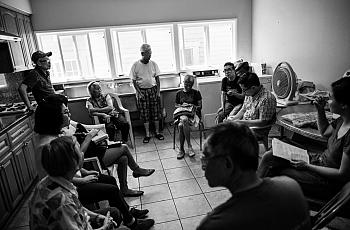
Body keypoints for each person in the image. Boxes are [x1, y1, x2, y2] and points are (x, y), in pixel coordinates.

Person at [34, 94, 155, 197]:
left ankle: (124, 189)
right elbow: (72, 164)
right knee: (123, 148)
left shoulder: (61, 129)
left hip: (89, 156)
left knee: (123, 158)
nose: (69, 114)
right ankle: (136, 170)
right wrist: (87, 138)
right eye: (66, 112)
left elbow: (80, 126)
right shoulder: (51, 144)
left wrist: (92, 135)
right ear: (55, 117)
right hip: (89, 158)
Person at [197, 123, 311, 230]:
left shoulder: (215, 225)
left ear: (228, 163)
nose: (203, 164)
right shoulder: (291, 187)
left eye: (207, 156)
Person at [29, 136, 154, 230]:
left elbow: (77, 207)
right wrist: (104, 227)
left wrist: (95, 216)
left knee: (114, 212)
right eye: (80, 152)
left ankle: (129, 218)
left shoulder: (47, 183)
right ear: (73, 162)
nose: (82, 154)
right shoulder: (62, 202)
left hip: (74, 221)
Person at [258, 77, 350, 200]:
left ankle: (258, 198)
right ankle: (256, 192)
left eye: (331, 98)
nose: (329, 101)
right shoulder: (341, 120)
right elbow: (324, 132)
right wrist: (320, 110)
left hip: (326, 181)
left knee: (277, 169)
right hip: (318, 161)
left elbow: (341, 174)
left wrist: (307, 166)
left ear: (343, 104)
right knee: (272, 153)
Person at [226, 72, 276, 143]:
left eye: (244, 90)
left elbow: (262, 122)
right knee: (225, 129)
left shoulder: (267, 99)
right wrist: (233, 120)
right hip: (246, 125)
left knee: (228, 137)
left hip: (257, 130)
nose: (243, 92)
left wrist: (240, 122)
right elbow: (243, 110)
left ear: (253, 88)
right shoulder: (249, 93)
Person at [130, 44, 164, 143]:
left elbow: (157, 79)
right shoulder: (135, 65)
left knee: (156, 112)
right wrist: (139, 93)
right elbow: (134, 81)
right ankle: (147, 134)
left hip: (153, 90)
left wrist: (158, 92)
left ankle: (157, 132)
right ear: (142, 53)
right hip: (142, 92)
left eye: (150, 52)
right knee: (145, 114)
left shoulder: (153, 63)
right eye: (148, 53)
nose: (150, 55)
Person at [175, 74, 202, 159]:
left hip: (193, 115)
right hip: (182, 114)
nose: (188, 86)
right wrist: (183, 106)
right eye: (186, 84)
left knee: (180, 125)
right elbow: (176, 105)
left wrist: (191, 105)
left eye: (190, 84)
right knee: (184, 119)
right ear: (183, 82)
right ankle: (189, 147)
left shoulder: (196, 93)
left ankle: (181, 149)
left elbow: (200, 107)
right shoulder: (179, 93)